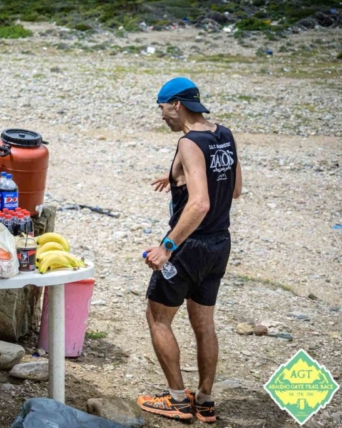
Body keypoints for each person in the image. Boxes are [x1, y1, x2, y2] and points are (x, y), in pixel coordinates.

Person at [137, 77, 242, 423]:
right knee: (204, 323)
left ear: (177, 105)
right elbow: (235, 188)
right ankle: (206, 401)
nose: (162, 116)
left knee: (157, 317)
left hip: (189, 246)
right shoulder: (224, 134)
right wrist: (177, 178)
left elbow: (199, 204)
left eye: (162, 108)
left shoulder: (188, 142)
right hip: (219, 244)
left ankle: (178, 400)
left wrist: (167, 247)